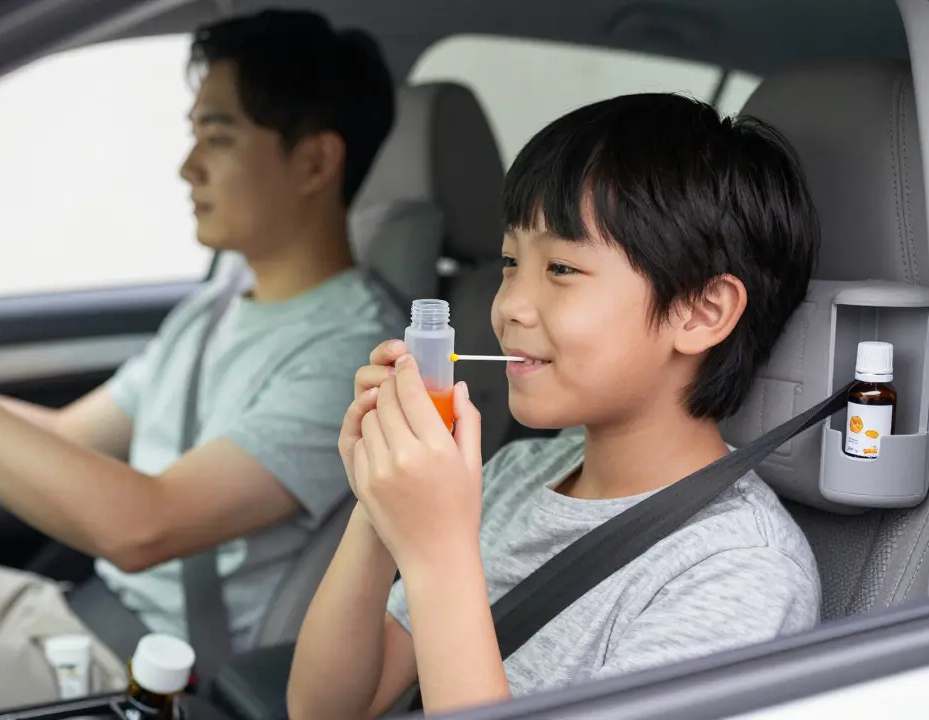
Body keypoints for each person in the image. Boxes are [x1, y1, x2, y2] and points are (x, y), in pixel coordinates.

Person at [0, 9, 401, 711]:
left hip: (146, 672)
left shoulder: (351, 359)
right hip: (76, 613)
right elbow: (65, 437)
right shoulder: (223, 306)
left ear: (314, 162)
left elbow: (145, 525)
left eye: (218, 136)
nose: (187, 166)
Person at [288, 93, 823, 718]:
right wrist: (383, 501)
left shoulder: (736, 572)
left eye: (562, 267)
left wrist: (437, 552)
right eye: (512, 262)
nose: (510, 303)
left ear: (701, 312)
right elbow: (324, 710)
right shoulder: (515, 477)